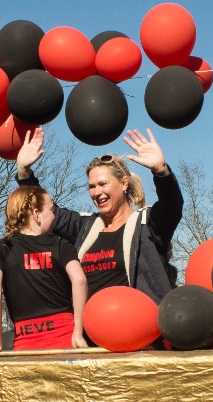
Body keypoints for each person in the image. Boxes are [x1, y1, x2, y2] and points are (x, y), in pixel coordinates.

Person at [15, 125, 183, 301]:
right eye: (92, 187)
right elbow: (45, 210)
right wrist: (24, 172)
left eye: (103, 184)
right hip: (91, 326)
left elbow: (172, 205)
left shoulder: (147, 225)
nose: (97, 192)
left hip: (139, 324)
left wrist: (161, 171)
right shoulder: (85, 226)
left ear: (124, 183)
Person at [0, 186, 87, 357]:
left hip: (26, 344)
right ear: (37, 214)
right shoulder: (62, 244)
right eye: (52, 210)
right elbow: (80, 280)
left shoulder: (0, 249)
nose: (55, 216)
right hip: (67, 339)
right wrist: (79, 333)